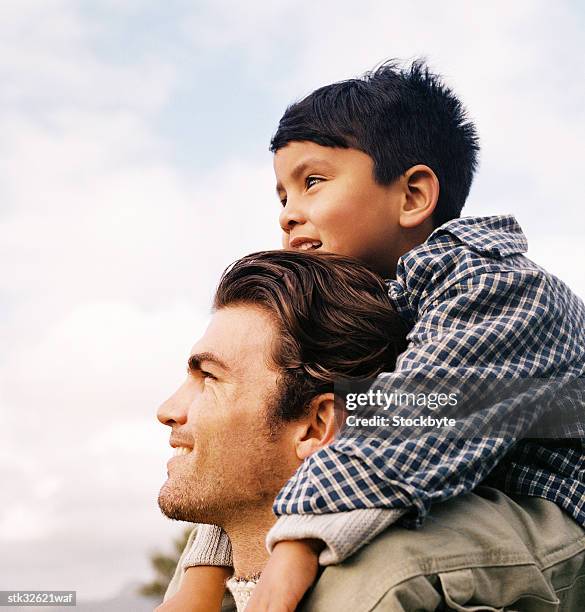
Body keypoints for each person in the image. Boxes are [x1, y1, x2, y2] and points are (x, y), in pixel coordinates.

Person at [168, 59, 585, 611]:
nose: (289, 215)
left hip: (549, 515)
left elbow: (415, 422)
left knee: (375, 572)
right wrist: (202, 571)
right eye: (283, 196)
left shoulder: (498, 289)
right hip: (445, 498)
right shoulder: (376, 305)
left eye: (312, 182)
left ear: (412, 195)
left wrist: (297, 539)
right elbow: (259, 455)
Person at [157, 251, 585, 611]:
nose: (167, 411)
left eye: (209, 377)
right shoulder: (200, 580)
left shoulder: (381, 591)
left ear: (317, 425)